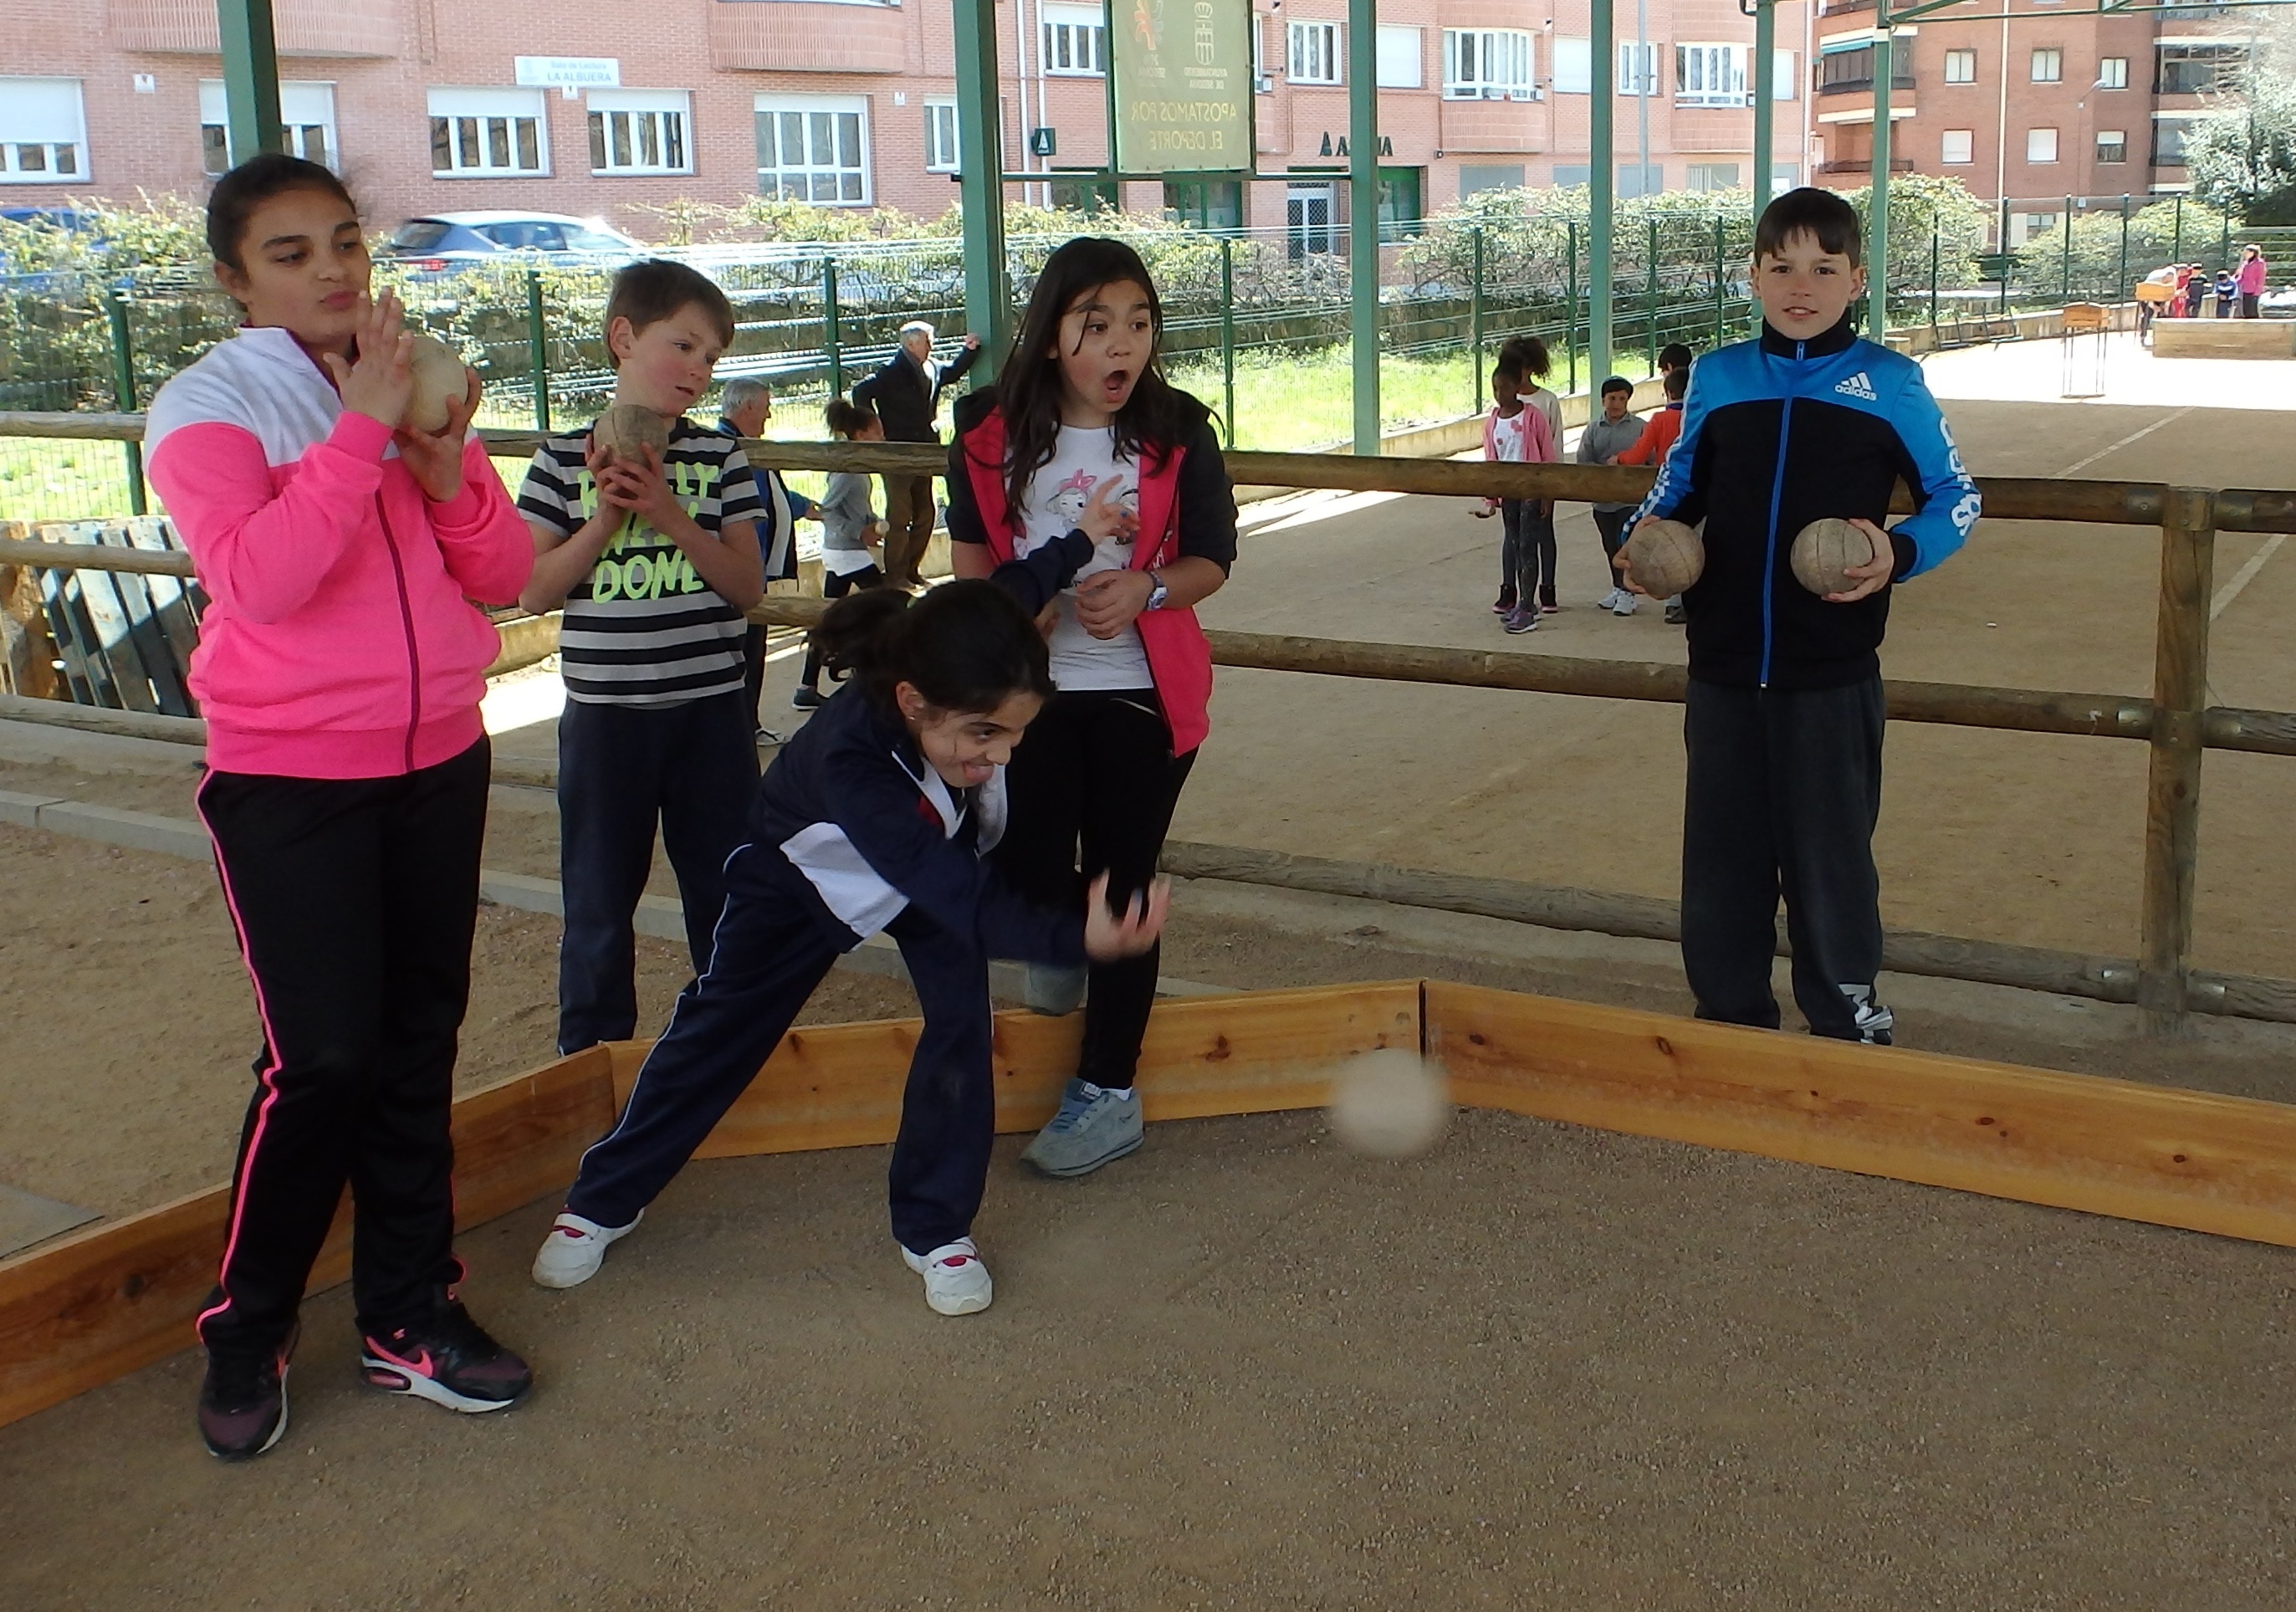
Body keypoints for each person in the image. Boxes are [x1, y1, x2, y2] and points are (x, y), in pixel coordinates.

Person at [144, 154, 538, 1459]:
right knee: (322, 1059)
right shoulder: (208, 405)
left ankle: (408, 1313)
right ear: (234, 279)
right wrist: (361, 428)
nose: (331, 271)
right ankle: (245, 1326)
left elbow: (500, 569)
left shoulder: (403, 372)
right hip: (291, 776)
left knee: (420, 1037)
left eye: (345, 243)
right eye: (291, 252)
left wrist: (443, 457)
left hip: (436, 754)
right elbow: (262, 580)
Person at [529, 582, 1168, 1315]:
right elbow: (952, 892)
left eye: (1016, 735)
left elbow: (1018, 579)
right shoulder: (850, 760)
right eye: (985, 734)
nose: (1000, 756)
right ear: (910, 700)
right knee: (720, 1027)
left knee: (963, 1025)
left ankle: (936, 1227)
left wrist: (1080, 538)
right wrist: (1074, 936)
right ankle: (603, 1197)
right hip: (800, 877)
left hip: (932, 857)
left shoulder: (959, 651)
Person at [1618, 187, 1980, 1047]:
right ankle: (1730, 1018)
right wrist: (1641, 545)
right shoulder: (1720, 375)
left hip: (1832, 668)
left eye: (1823, 268)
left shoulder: (1892, 383)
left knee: (1831, 860)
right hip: (1725, 664)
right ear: (1754, 276)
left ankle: (1849, 1016)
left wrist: (1901, 552)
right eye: (1782, 267)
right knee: (1722, 860)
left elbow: (1957, 496)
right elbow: (1677, 488)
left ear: (1856, 279)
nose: (1801, 285)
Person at [947, 235, 1238, 1180]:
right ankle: (1063, 937)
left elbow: (1212, 562)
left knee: (1122, 882)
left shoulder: (1183, 427)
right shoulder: (986, 431)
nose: (1123, 347)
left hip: (1138, 696)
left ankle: (1108, 1087)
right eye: (1097, 325)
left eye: (1140, 325)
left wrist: (1150, 589)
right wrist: (1009, 612)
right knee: (1026, 870)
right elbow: (971, 569)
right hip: (1025, 700)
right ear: (1049, 334)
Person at [517, 261, 768, 1057]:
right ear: (624, 338)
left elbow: (747, 587)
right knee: (596, 900)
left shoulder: (721, 461)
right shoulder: (560, 460)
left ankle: (727, 1046)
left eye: (712, 358)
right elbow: (531, 590)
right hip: (604, 722)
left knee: (726, 894)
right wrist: (604, 521)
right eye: (684, 345)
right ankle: (590, 1060)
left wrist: (668, 511)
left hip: (709, 718)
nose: (698, 369)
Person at [852, 320, 984, 589]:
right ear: (911, 343)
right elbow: (860, 393)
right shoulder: (890, 372)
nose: (931, 345)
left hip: (925, 447)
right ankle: (896, 575)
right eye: (927, 340)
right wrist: (874, 428)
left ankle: (912, 569)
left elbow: (952, 372)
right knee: (900, 515)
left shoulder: (931, 367)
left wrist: (969, 351)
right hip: (897, 450)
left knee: (925, 513)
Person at [718, 376, 813, 743]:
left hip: (753, 571)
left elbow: (773, 497)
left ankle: (746, 725)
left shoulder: (746, 447)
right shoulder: (734, 449)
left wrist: (803, 508)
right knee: (746, 651)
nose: (770, 415)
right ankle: (742, 729)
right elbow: (749, 514)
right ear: (748, 407)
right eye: (766, 407)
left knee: (751, 649)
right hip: (746, 574)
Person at [793, 397, 892, 709]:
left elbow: (852, 508)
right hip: (846, 552)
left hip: (844, 551)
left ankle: (806, 687)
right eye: (878, 432)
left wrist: (871, 522)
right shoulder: (848, 470)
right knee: (887, 607)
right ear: (861, 435)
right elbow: (829, 510)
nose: (883, 438)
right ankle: (866, 672)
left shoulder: (857, 467)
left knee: (828, 617)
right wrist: (858, 532)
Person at [1471, 344, 1560, 633]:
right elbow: (1491, 462)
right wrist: (1491, 498)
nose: (1500, 395)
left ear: (1516, 388)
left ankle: (1527, 606)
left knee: (1527, 547)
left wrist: (1548, 491)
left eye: (1505, 388)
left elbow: (1547, 455)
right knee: (1513, 543)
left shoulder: (1533, 416)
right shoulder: (1492, 422)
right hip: (1508, 494)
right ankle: (1520, 601)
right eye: (1495, 389)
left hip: (1531, 491)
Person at [1578, 376, 1645, 617]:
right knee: (1610, 546)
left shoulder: (1640, 427)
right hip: (1603, 501)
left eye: (1622, 399)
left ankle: (1629, 592)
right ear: (1603, 400)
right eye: (1612, 398)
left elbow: (1651, 459)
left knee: (1625, 545)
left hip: (1630, 501)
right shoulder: (1593, 429)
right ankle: (1618, 587)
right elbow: (1583, 461)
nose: (1616, 403)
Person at [2238, 244, 2268, 320]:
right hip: (2245, 289)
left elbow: (2261, 278)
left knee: (2253, 310)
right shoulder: (2245, 263)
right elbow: (2242, 276)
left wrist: (2258, 290)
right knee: (2246, 311)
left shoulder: (2260, 263)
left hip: (2254, 290)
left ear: (2253, 253)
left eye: (2247, 252)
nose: (2245, 254)